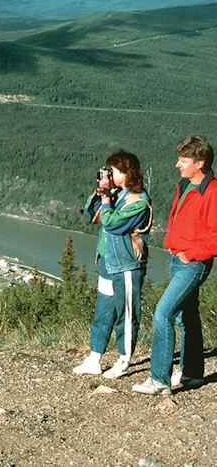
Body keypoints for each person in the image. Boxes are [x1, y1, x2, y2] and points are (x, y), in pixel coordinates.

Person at [133, 135, 217, 395]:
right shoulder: (185, 186)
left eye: (183, 160)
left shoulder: (212, 193)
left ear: (200, 162)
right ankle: (192, 374)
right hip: (178, 258)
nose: (177, 165)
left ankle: (159, 380)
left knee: (163, 313)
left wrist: (189, 254)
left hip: (191, 263)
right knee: (185, 315)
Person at [74, 150, 152, 378]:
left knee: (126, 315)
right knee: (103, 312)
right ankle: (95, 357)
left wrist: (108, 198)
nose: (111, 175)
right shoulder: (116, 194)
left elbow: (111, 224)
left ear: (128, 174)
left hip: (127, 265)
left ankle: (124, 359)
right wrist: (100, 193)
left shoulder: (138, 202)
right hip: (108, 262)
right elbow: (91, 213)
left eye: (115, 171)